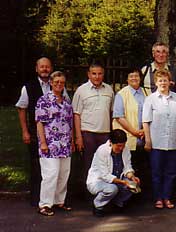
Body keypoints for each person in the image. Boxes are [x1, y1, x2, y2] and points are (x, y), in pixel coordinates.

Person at [16, 57, 69, 206]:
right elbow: (21, 109)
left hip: (59, 137)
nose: (45, 69)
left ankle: (54, 200)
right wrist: (25, 131)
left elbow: (67, 108)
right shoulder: (29, 87)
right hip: (36, 133)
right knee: (37, 167)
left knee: (55, 171)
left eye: (47, 67)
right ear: (36, 69)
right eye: (42, 67)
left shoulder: (60, 87)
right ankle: (37, 199)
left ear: (51, 68)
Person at [142, 69, 176, 209]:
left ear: (170, 82)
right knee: (156, 172)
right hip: (156, 142)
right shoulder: (150, 99)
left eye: (165, 80)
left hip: (173, 142)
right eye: (160, 80)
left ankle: (167, 197)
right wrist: (148, 140)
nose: (163, 83)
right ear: (155, 83)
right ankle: (158, 198)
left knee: (171, 172)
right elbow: (145, 121)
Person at [35, 71, 74, 216]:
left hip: (65, 145)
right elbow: (39, 123)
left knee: (64, 174)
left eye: (62, 82)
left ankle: (59, 201)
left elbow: (70, 123)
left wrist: (71, 140)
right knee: (51, 174)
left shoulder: (66, 102)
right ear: (51, 83)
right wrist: (43, 143)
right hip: (50, 144)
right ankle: (44, 205)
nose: (59, 84)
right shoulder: (43, 100)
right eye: (56, 82)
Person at [72, 63, 114, 195]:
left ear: (103, 74)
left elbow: (112, 113)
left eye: (100, 73)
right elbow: (76, 114)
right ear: (89, 74)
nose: (97, 76)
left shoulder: (109, 90)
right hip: (87, 133)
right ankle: (88, 194)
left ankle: (104, 192)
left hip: (105, 133)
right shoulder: (81, 90)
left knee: (105, 164)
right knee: (89, 165)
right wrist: (78, 137)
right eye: (94, 73)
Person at [87, 129, 140, 217]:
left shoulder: (125, 149)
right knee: (112, 189)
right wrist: (123, 182)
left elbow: (127, 167)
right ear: (111, 142)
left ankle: (117, 203)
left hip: (117, 178)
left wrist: (132, 177)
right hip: (99, 181)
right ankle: (98, 205)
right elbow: (105, 176)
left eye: (123, 146)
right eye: (118, 146)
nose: (121, 148)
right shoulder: (102, 150)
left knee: (133, 184)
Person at [112, 69, 149, 190]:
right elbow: (118, 116)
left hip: (144, 138)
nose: (134, 78)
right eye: (131, 76)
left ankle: (140, 196)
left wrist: (144, 131)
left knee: (143, 168)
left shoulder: (147, 92)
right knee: (128, 168)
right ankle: (128, 196)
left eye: (136, 76)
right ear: (127, 79)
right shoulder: (121, 94)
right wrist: (134, 132)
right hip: (128, 138)